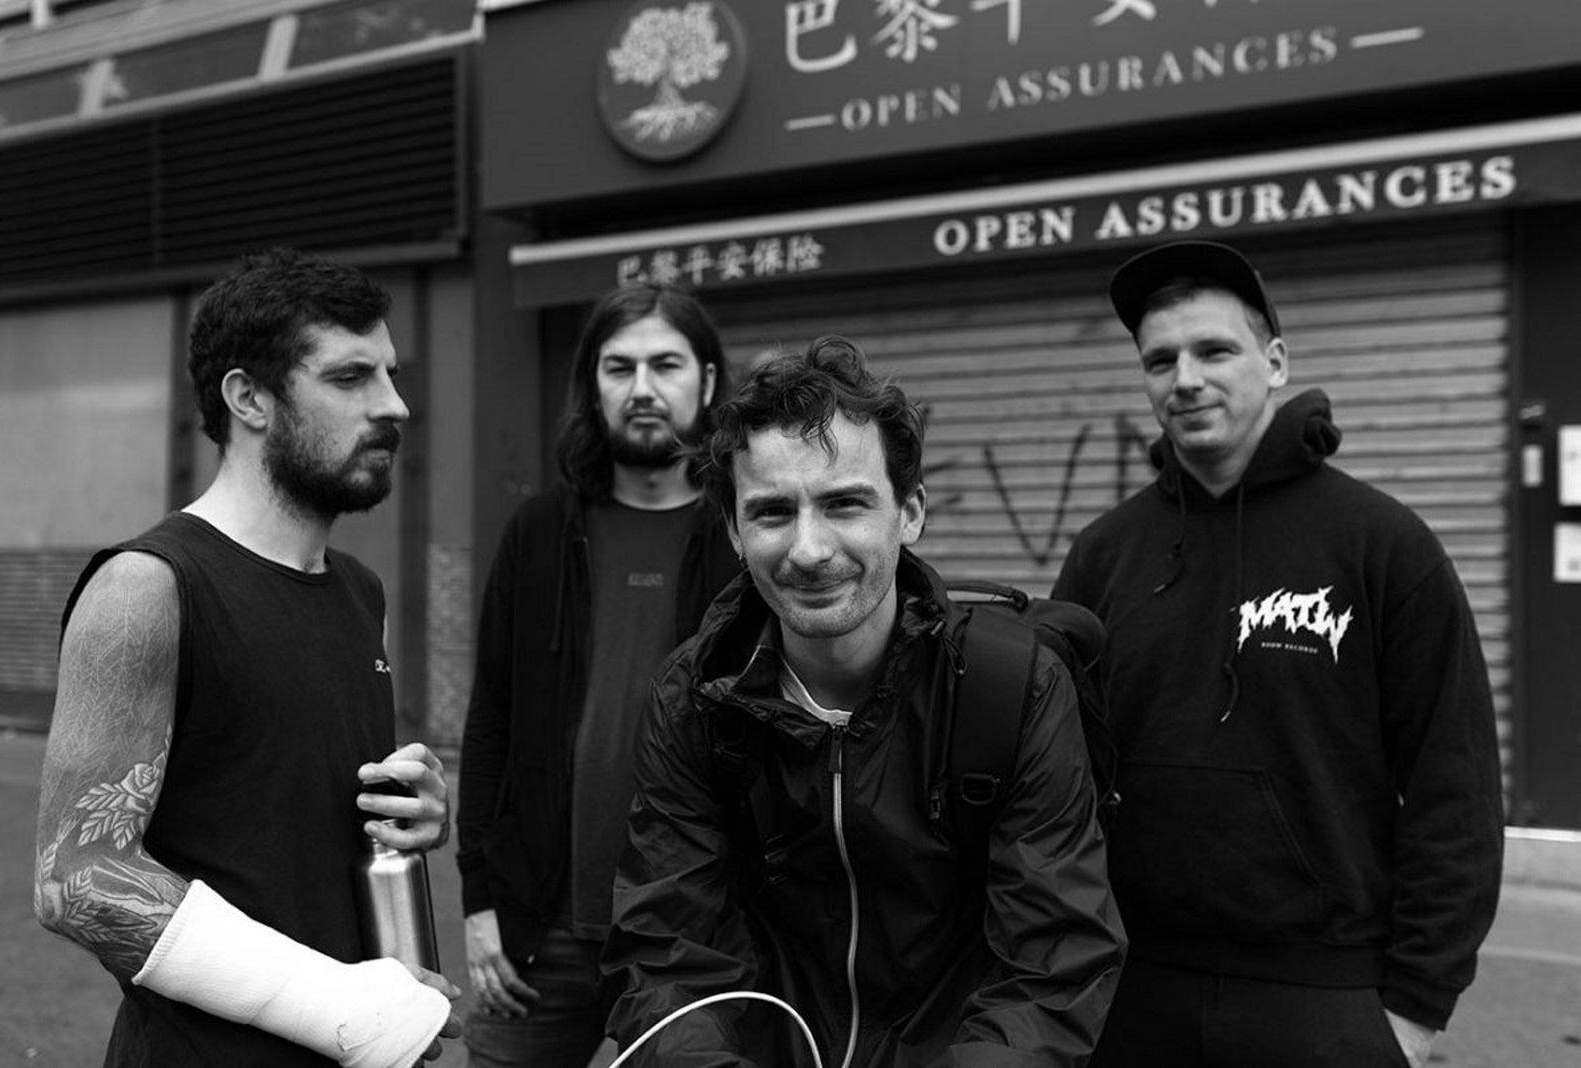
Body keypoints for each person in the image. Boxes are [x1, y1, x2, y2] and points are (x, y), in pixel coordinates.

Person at [602, 336, 1126, 1067]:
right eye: (772, 512)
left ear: (910, 512)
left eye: (844, 503)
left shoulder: (1013, 688)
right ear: (734, 532)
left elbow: (1052, 964)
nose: (810, 550)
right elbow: (666, 951)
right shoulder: (695, 699)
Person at [1052, 240, 1504, 1068]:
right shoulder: (1103, 555)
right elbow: (1057, 778)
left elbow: (1456, 783)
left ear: (1276, 361)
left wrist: (1415, 1006)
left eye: (1214, 350)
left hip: (1326, 993)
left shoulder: (1380, 544)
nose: (1185, 379)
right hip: (1131, 989)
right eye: (1160, 360)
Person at [33, 247, 462, 1067]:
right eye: (350, 377)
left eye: (391, 374)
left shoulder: (359, 591)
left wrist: (413, 819)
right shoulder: (146, 587)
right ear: (249, 398)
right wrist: (339, 1006)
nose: (394, 404)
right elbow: (76, 879)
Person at [454, 283, 742, 1066]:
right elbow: (491, 722)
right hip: (542, 928)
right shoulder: (538, 532)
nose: (642, 388)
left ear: (706, 382)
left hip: (694, 932)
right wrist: (479, 902)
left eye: (665, 365)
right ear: (593, 385)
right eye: (619, 367)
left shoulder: (746, 536)